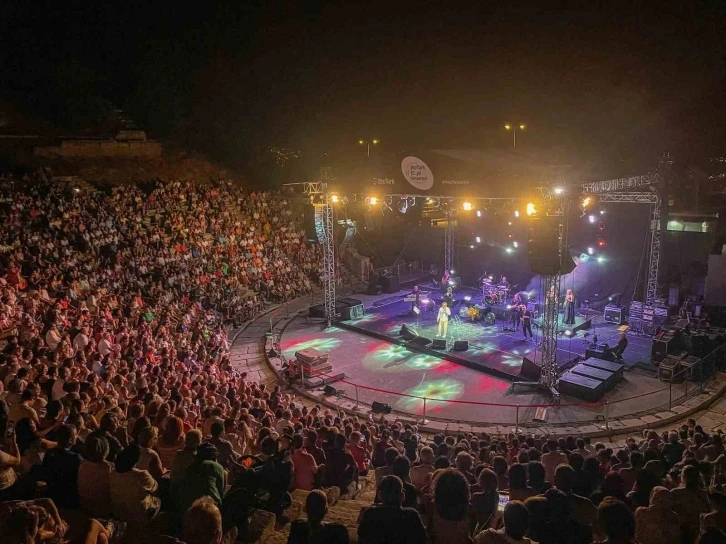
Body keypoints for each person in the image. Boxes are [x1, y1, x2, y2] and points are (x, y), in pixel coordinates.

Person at [357, 475, 427, 544]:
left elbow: (362, 538)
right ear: (402, 495)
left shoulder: (370, 513)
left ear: (380, 495)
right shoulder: (412, 515)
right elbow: (422, 539)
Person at [109, 444, 161, 528]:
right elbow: (155, 487)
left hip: (118, 513)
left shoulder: (113, 473)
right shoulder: (142, 475)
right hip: (138, 515)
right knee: (158, 498)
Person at [36, 423, 82, 509]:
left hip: (51, 493)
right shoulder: (75, 458)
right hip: (67, 498)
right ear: (70, 440)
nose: (77, 436)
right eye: (76, 434)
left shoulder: (49, 453)